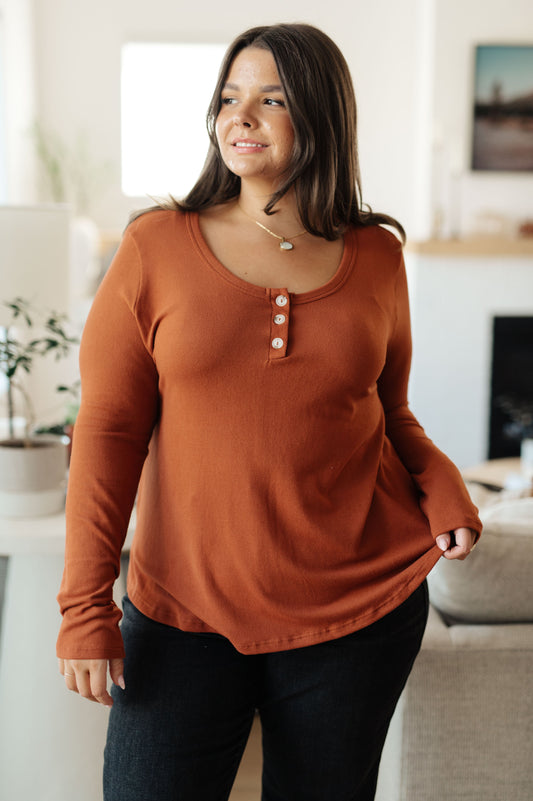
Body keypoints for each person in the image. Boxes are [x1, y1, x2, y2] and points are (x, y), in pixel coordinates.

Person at [57, 22, 481, 801]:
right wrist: (85, 606)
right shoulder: (155, 245)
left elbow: (387, 411)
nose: (239, 116)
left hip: (356, 616)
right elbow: (108, 432)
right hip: (181, 612)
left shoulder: (377, 255)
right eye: (228, 97)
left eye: (271, 99)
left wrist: (439, 478)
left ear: (319, 115)